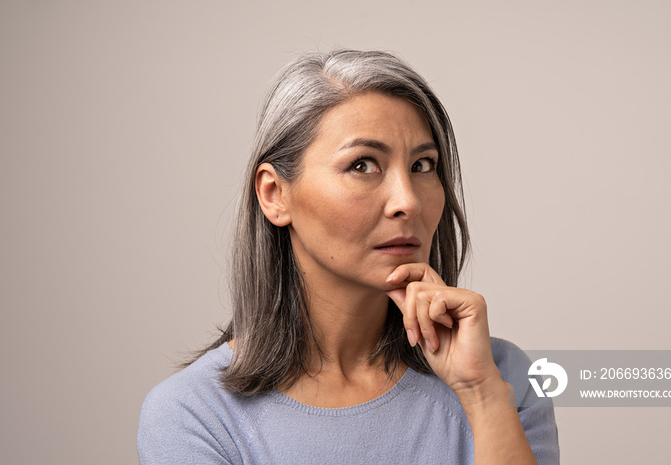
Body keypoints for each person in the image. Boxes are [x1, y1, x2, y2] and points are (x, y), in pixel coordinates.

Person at [137, 49, 559, 464]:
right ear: (274, 194)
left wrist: (482, 396)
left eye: (423, 165)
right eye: (362, 165)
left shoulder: (504, 376)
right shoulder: (192, 415)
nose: (407, 201)